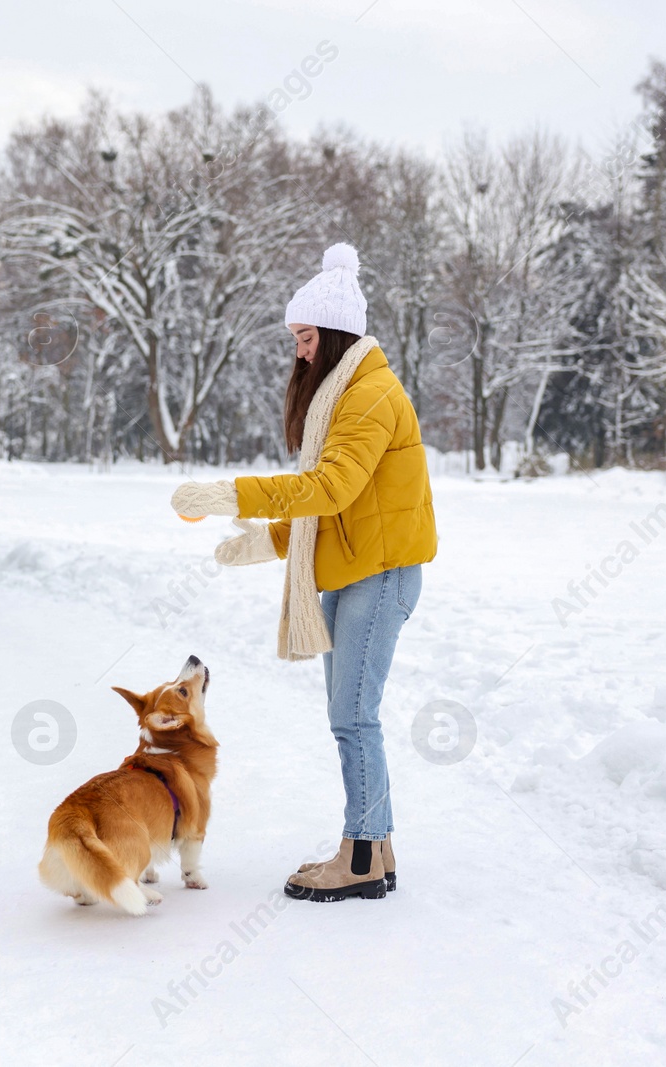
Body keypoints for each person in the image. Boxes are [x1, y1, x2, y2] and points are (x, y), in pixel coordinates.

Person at [170, 243, 437, 902]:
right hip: (353, 569)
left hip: (381, 576)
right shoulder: (347, 393)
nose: (299, 350)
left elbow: (332, 486)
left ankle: (364, 856)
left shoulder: (371, 394)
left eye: (307, 336)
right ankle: (377, 842)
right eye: (295, 337)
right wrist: (266, 541)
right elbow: (332, 509)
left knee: (353, 715)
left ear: (337, 331)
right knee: (349, 714)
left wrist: (233, 495)